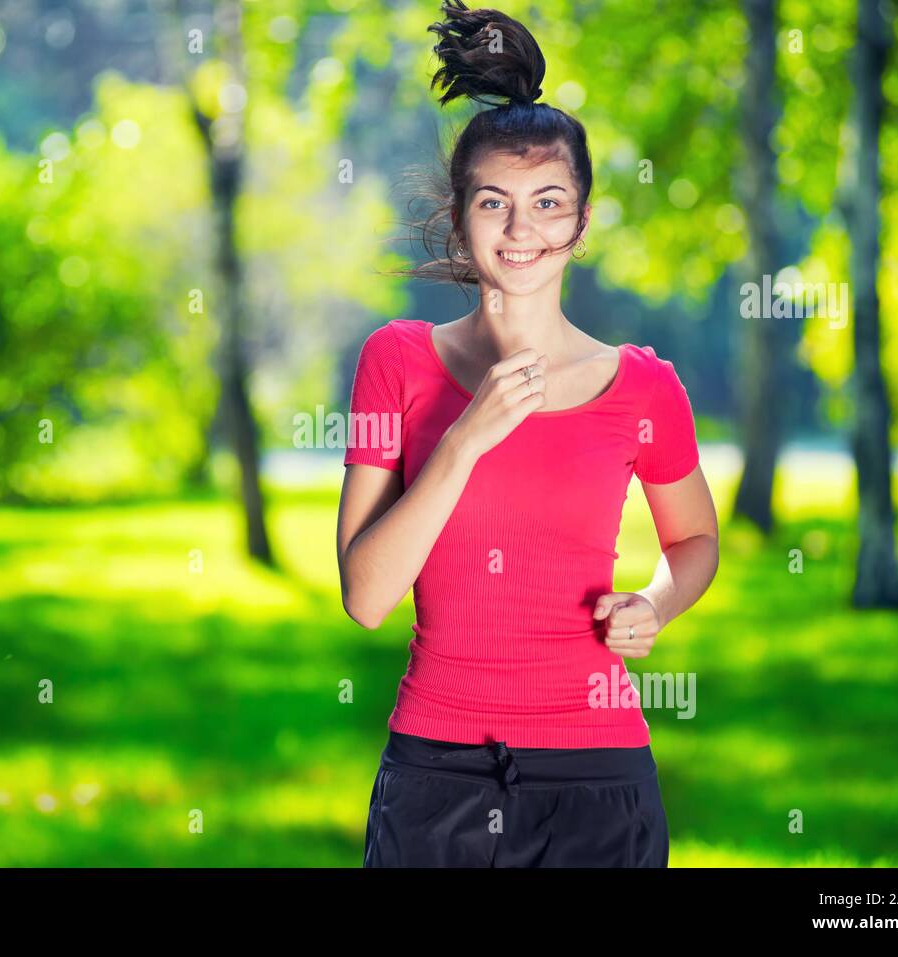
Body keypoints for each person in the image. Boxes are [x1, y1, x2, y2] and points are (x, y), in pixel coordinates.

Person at [336, 0, 719, 867]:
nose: (521, 230)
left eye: (548, 203)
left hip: (598, 776)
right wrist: (466, 438)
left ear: (581, 221)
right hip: (436, 774)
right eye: (494, 203)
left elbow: (694, 537)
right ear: (461, 217)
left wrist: (654, 603)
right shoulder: (393, 362)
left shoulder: (642, 384)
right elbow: (365, 595)